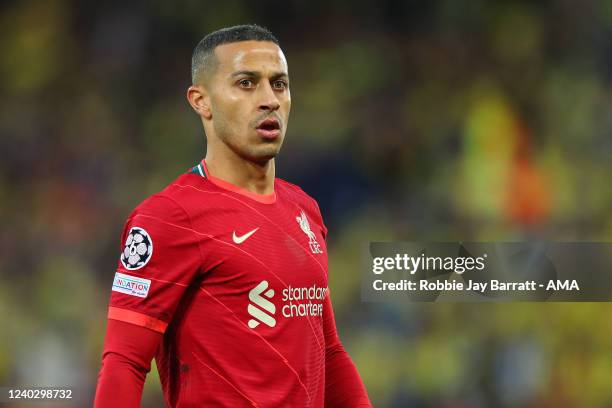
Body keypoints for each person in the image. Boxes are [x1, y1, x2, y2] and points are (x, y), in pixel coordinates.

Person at [94, 24, 372, 407]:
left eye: (279, 84)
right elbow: (125, 361)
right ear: (201, 102)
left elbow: (328, 352)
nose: (269, 99)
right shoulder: (168, 218)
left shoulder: (304, 209)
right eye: (246, 83)